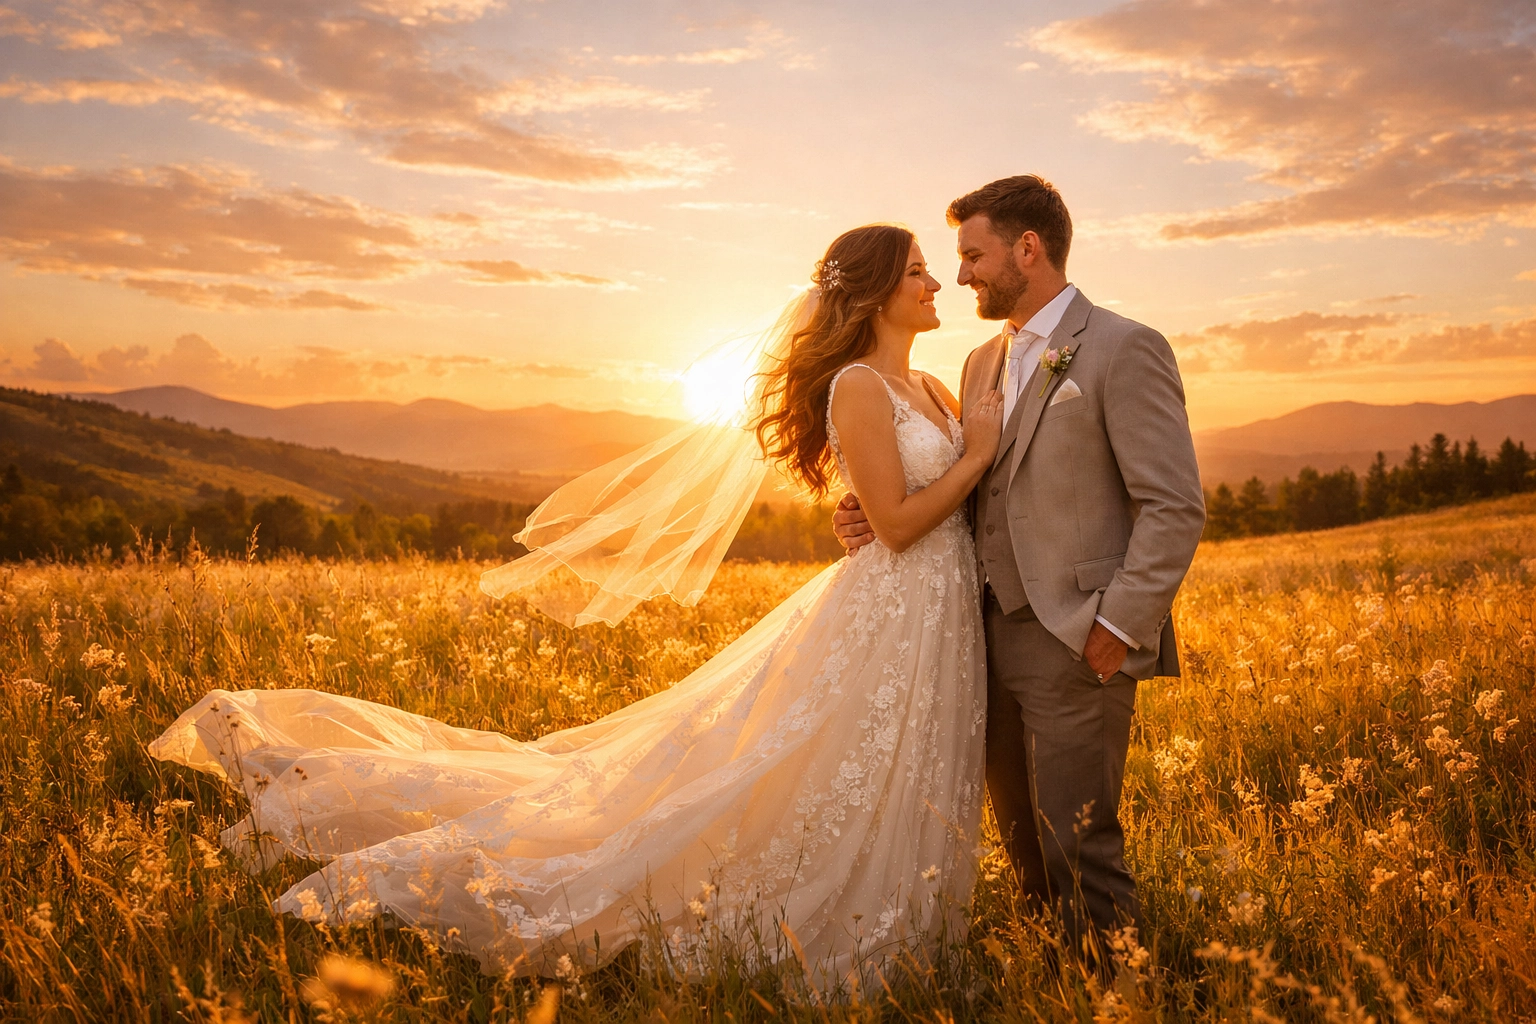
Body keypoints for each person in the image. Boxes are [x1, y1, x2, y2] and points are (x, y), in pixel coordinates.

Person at [150, 223, 1005, 990]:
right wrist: (974, 458)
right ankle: (824, 923)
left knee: (896, 765)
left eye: (935, 271)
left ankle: (908, 918)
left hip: (934, 614)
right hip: (890, 607)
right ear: (872, 293)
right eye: (919, 273)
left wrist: (945, 473)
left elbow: (926, 502)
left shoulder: (933, 384)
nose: (937, 286)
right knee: (801, 769)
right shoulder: (857, 385)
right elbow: (896, 523)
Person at [834, 175, 1205, 961]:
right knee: (1025, 849)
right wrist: (869, 511)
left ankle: (1122, 998)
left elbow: (1174, 506)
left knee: (1081, 843)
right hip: (978, 640)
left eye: (972, 255)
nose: (960, 274)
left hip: (1078, 638)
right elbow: (978, 486)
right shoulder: (975, 364)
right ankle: (1058, 985)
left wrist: (1116, 627)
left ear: (1027, 249)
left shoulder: (1123, 346)